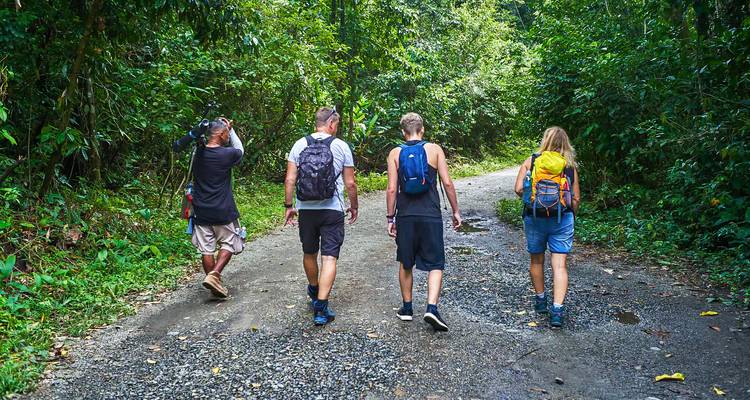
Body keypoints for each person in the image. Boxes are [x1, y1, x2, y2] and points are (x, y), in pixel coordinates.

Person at [385, 112, 462, 332]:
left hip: (406, 215)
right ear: (422, 130)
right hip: (430, 214)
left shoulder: (395, 153)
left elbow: (392, 189)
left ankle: (407, 308)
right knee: (436, 262)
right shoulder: (435, 150)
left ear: (403, 132)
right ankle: (431, 308)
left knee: (406, 260)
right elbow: (447, 183)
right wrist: (455, 210)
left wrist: (391, 217)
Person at [284, 107, 359, 326]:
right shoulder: (340, 146)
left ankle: (314, 288)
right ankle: (321, 307)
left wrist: (289, 206)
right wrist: (353, 206)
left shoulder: (299, 144)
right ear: (332, 124)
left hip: (306, 209)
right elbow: (350, 183)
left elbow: (290, 180)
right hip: (332, 209)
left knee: (309, 252)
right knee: (329, 257)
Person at [513, 126, 580, 328]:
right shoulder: (568, 166)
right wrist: (572, 216)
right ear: (565, 144)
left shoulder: (532, 161)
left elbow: (517, 190)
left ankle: (541, 300)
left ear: (545, 141)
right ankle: (557, 311)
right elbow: (575, 198)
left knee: (536, 260)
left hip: (535, 217)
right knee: (559, 265)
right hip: (562, 219)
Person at [191, 117, 245, 298]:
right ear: (222, 134)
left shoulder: (197, 154)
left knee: (207, 249)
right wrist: (233, 129)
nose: (228, 135)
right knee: (229, 243)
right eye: (227, 133)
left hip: (200, 210)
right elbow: (240, 150)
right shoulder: (227, 154)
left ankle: (214, 283)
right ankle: (215, 276)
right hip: (223, 210)